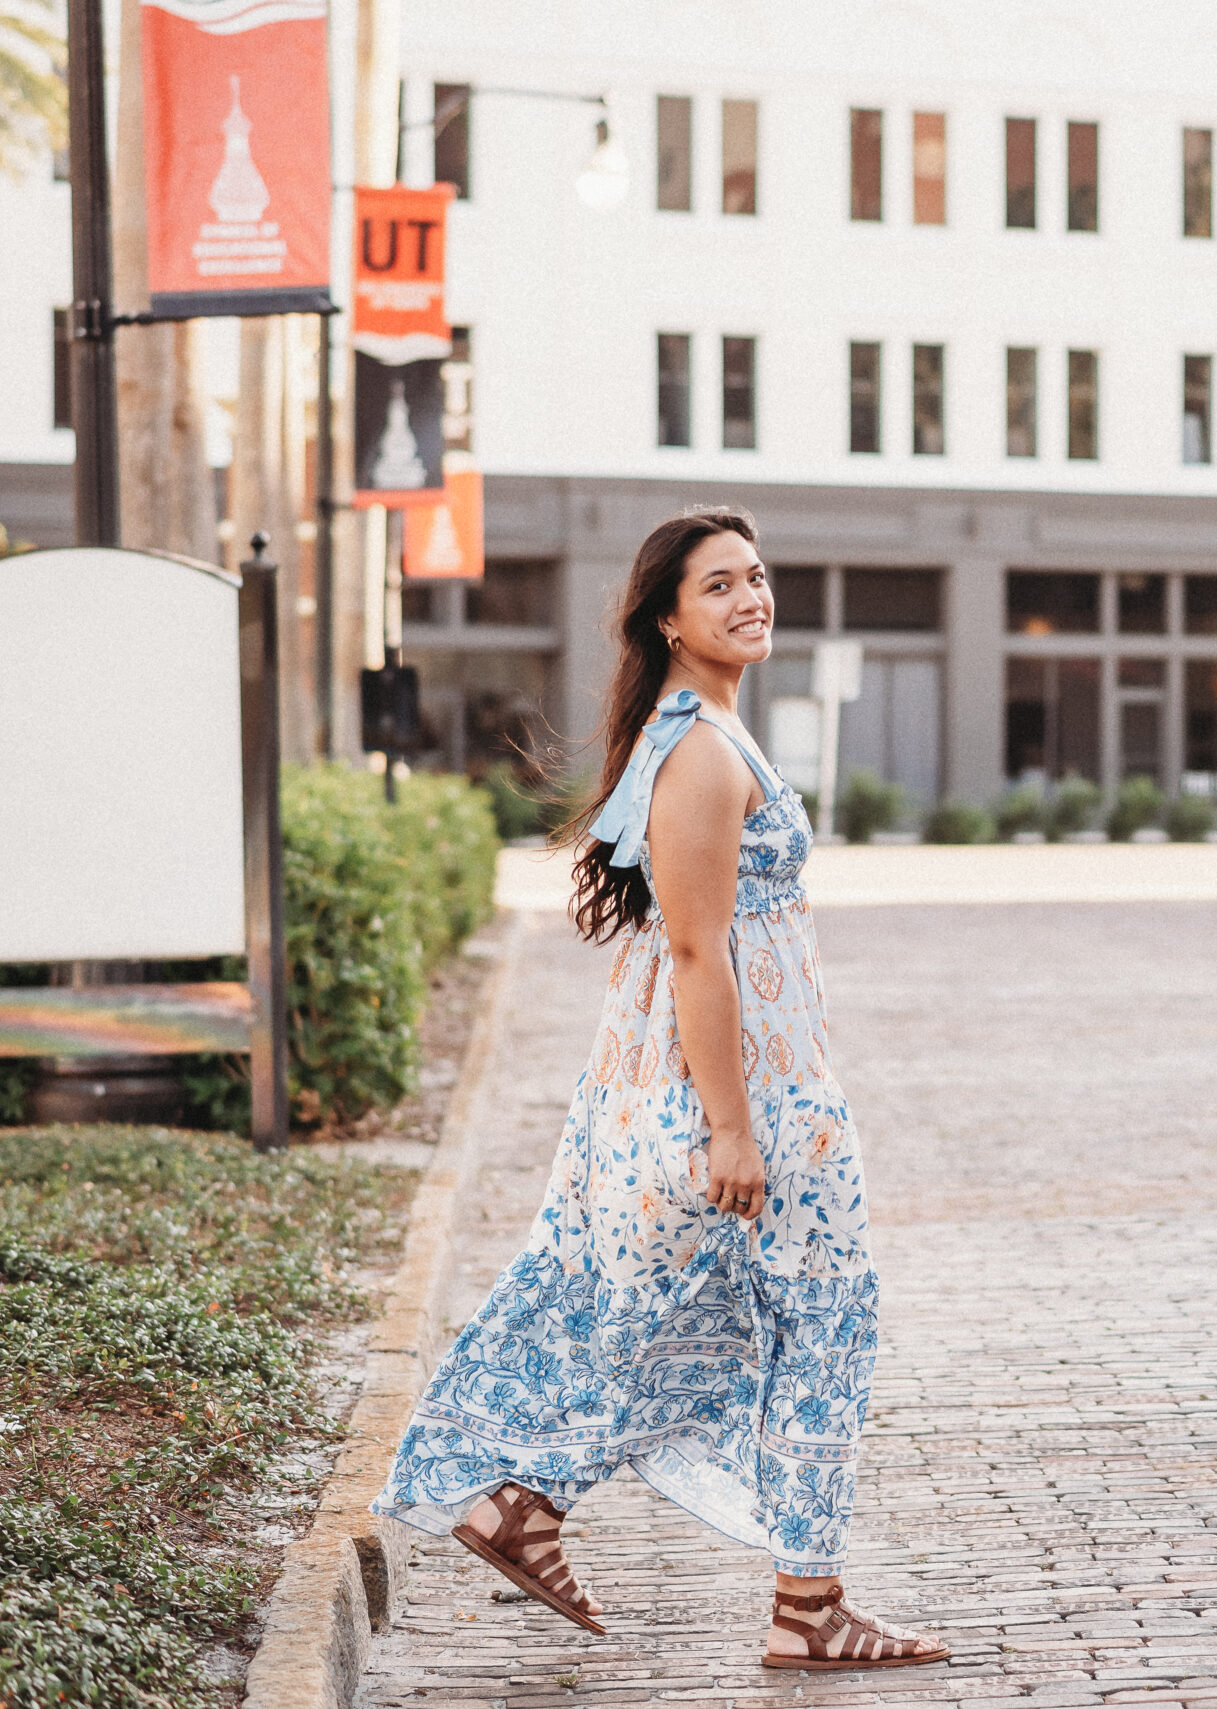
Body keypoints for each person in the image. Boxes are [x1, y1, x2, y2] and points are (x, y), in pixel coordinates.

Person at [371, 509, 947, 1671]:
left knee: (685, 1325)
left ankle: (537, 1506)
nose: (751, 597)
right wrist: (734, 1128)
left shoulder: (708, 730)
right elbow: (697, 951)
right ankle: (801, 1604)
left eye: (758, 575)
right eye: (720, 584)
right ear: (668, 617)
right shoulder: (696, 750)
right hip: (742, 1102)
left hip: (730, 1093)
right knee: (813, 1327)